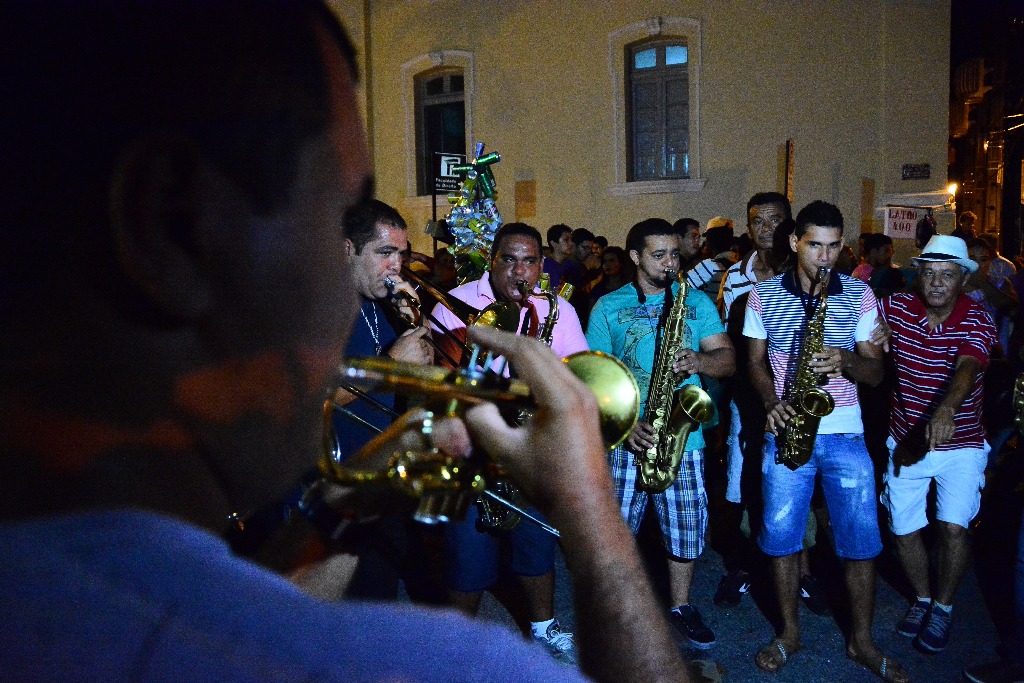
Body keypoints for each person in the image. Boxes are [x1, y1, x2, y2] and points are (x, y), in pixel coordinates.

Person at [0, 4, 691, 682]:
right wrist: (595, 518)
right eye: (335, 209)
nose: (352, 280)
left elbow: (248, 616)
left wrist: (343, 501)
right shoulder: (441, 664)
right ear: (173, 226)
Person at [745, 201, 907, 682]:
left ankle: (862, 641)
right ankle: (789, 633)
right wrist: (771, 403)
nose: (825, 256)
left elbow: (876, 373)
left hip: (845, 433)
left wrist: (846, 360)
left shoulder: (859, 295)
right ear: (795, 242)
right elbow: (754, 362)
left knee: (860, 544)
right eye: (815, 244)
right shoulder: (762, 296)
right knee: (781, 540)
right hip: (787, 429)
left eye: (834, 245)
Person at [429, 222, 588, 664]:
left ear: (541, 264)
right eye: (509, 259)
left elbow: (575, 372)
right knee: (466, 550)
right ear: (492, 260)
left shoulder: (558, 309)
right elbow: (442, 384)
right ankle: (457, 643)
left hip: (532, 441)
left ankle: (543, 627)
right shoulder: (456, 303)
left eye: (530, 261)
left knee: (536, 542)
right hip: (473, 441)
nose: (520, 271)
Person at [587, 218, 736, 651]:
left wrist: (700, 362)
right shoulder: (607, 307)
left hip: (683, 438)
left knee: (686, 531)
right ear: (634, 256)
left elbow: (726, 359)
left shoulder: (696, 302)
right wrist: (625, 424)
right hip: (626, 437)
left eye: (675, 254)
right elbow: (593, 381)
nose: (671, 263)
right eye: (659, 255)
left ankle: (681, 605)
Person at [877, 235, 997, 654]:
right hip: (906, 440)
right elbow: (862, 323)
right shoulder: (896, 308)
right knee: (903, 529)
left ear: (963, 278)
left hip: (960, 444)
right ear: (918, 275)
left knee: (953, 528)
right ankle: (923, 598)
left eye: (948, 275)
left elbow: (968, 365)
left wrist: (946, 409)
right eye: (929, 273)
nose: (937, 283)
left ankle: (943, 607)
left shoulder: (978, 317)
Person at [327, 199, 434, 601]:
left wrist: (413, 325)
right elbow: (314, 399)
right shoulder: (319, 311)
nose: (396, 266)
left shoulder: (381, 305)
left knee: (379, 592)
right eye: (384, 253)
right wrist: (390, 362)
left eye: (401, 254)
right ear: (347, 250)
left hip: (383, 473)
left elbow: (418, 379)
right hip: (335, 479)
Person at [687, 218, 736, 302]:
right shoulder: (738, 264)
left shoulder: (709, 266)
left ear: (711, 240)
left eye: (707, 238)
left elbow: (681, 286)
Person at [852, 233, 905, 298]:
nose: (890, 255)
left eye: (891, 251)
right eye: (886, 251)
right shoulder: (863, 273)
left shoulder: (890, 269)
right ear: (873, 252)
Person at [543, 223, 579, 290]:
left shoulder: (571, 266)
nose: (571, 243)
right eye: (566, 240)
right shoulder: (545, 266)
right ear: (553, 243)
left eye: (571, 240)